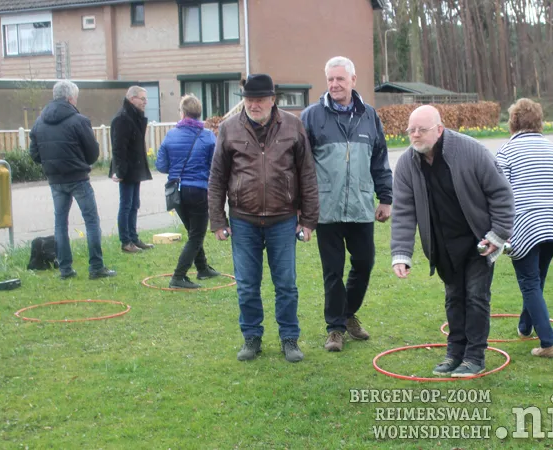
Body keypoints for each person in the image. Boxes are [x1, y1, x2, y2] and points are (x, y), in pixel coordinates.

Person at [391, 105, 514, 377]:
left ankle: (474, 357)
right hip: (442, 244)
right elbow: (402, 210)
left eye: (421, 130)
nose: (415, 135)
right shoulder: (406, 165)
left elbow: (501, 194)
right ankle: (454, 353)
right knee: (454, 298)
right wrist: (401, 253)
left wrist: (499, 234)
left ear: (439, 129)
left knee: (476, 297)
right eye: (411, 130)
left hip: (479, 240)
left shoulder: (471, 151)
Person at [209, 74, 319, 364]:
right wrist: (218, 220)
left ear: (273, 99)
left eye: (260, 99)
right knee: (246, 284)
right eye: (248, 99)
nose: (254, 104)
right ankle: (251, 337)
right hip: (243, 220)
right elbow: (217, 177)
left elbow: (307, 174)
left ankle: (289, 338)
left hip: (283, 220)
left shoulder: (293, 126)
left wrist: (308, 221)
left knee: (286, 284)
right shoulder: (228, 129)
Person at [301, 56, 393, 352]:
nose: (335, 84)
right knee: (333, 271)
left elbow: (380, 159)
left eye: (340, 79)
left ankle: (348, 313)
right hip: (325, 208)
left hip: (361, 206)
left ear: (353, 80)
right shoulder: (312, 116)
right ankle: (335, 329)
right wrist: (303, 208)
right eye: (330, 79)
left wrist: (386, 198)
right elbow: (300, 165)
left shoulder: (369, 116)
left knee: (364, 264)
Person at [495, 99, 553, 358]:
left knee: (530, 282)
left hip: (526, 224)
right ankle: (524, 327)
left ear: (513, 122)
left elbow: (501, 194)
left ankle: (548, 343)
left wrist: (499, 229)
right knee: (536, 280)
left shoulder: (506, 152)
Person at [29, 80, 116, 280]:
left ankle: (65, 269)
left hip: (55, 179)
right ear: (70, 98)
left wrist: (50, 165)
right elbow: (93, 152)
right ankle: (96, 267)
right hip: (78, 177)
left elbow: (34, 154)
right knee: (91, 221)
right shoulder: (79, 120)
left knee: (60, 223)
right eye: (76, 97)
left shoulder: (39, 122)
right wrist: (80, 161)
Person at [155, 94, 220, 289]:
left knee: (193, 231)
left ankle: (202, 268)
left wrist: (177, 170)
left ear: (183, 113)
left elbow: (161, 165)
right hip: (199, 189)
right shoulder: (208, 136)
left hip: (176, 190)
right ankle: (178, 277)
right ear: (200, 115)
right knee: (196, 235)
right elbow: (215, 166)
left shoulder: (170, 135)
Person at [110, 86, 154, 254]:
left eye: (145, 99)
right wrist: (119, 171)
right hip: (126, 169)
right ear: (131, 99)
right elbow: (118, 148)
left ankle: (134, 238)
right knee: (126, 204)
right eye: (142, 99)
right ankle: (126, 241)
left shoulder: (135, 116)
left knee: (134, 204)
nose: (145, 102)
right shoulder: (122, 118)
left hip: (135, 167)